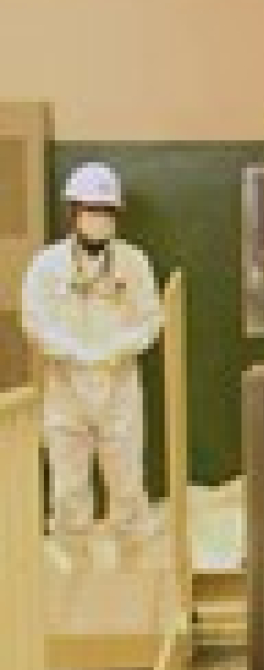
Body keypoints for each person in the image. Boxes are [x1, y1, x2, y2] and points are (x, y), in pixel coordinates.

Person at [21, 162, 163, 567]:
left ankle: (133, 584)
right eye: (92, 209)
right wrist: (72, 351)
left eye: (107, 211)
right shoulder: (46, 266)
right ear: (74, 212)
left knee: (128, 492)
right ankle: (73, 589)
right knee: (67, 495)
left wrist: (115, 350)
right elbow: (34, 318)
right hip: (65, 390)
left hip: (119, 389)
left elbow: (151, 319)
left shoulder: (134, 263)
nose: (99, 218)